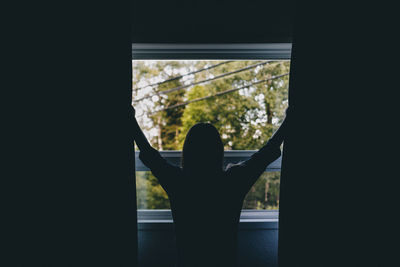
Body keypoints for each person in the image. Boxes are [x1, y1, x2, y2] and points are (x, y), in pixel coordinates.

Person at [131, 106, 289, 267]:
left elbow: (150, 155)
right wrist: (288, 120)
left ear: (188, 151)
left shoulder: (178, 181)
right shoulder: (233, 180)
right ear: (218, 151)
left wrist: (131, 121)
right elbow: (266, 153)